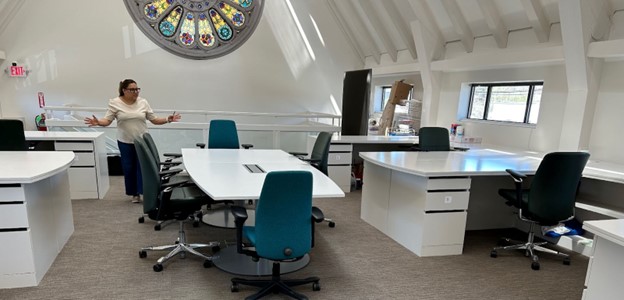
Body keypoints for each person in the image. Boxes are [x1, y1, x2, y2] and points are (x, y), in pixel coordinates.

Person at [84, 79, 180, 203]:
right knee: (129, 168)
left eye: (137, 89)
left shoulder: (143, 102)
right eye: (132, 90)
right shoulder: (115, 103)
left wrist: (168, 119)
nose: (136, 92)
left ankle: (145, 192)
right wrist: (98, 122)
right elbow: (107, 121)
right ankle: (134, 194)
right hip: (125, 141)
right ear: (124, 90)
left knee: (143, 167)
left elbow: (154, 120)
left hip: (142, 141)